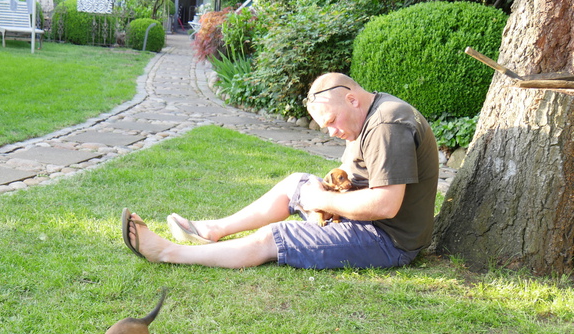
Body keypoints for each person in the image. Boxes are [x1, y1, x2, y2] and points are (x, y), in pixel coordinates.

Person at [121, 73, 439, 270]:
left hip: (387, 240)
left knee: (273, 237)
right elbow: (353, 173)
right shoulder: (368, 116)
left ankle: (167, 252)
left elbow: (385, 205)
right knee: (296, 183)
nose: (331, 132)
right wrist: (320, 192)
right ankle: (213, 230)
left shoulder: (386, 125)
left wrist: (322, 201)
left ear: (352, 99)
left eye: (332, 121)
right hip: (361, 220)